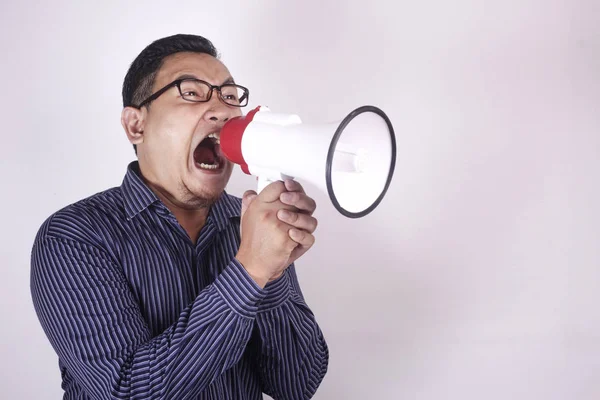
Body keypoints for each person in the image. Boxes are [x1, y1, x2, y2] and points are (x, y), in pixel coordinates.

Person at [30, 33, 329, 400]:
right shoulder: (73, 237)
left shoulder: (253, 226)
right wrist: (250, 271)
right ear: (136, 126)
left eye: (231, 96)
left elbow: (296, 385)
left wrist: (274, 273)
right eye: (191, 91)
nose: (223, 110)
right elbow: (128, 391)